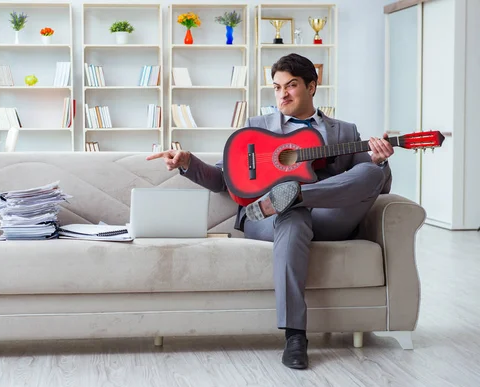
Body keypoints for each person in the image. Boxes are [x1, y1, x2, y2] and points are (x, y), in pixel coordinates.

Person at [146, 53, 394, 370]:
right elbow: (224, 180)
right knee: (292, 217)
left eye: (291, 86)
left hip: (330, 216)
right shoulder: (256, 128)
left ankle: (293, 196)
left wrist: (380, 160)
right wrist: (188, 163)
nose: (282, 95)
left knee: (372, 173)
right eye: (277, 87)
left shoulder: (344, 131)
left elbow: (371, 185)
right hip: (268, 218)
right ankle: (295, 336)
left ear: (312, 86)